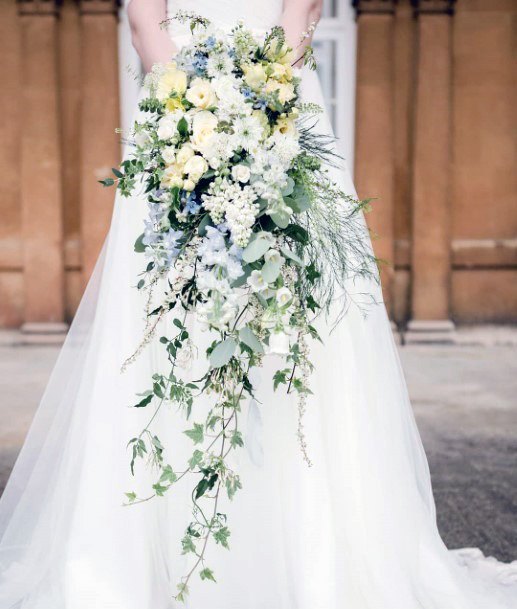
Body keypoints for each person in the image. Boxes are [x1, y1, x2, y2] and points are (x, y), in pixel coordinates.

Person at [0, 1, 515, 607]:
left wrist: (251, 120)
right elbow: (145, 23)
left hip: (278, 124)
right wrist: (192, 120)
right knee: (174, 327)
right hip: (179, 130)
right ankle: (159, 551)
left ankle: (303, 552)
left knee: (290, 335)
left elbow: (298, 26)